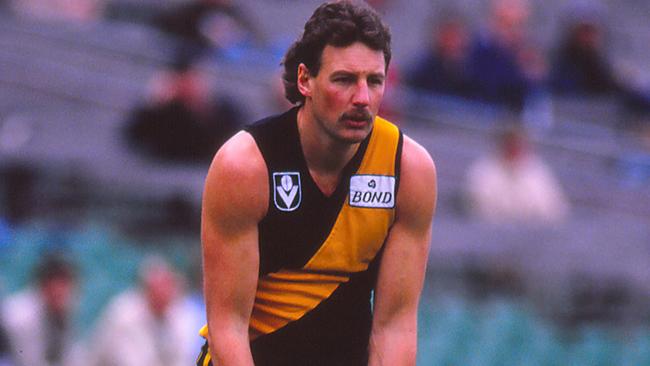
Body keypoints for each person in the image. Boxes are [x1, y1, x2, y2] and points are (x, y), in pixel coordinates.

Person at [197, 1, 437, 365]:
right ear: (305, 80)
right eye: (344, 80)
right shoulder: (245, 166)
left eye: (374, 81)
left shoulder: (409, 169)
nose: (362, 99)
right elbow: (228, 326)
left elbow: (395, 327)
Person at [89, 256, 198, 366]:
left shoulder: (181, 314)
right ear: (146, 289)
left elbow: (183, 358)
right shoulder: (124, 314)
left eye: (167, 285)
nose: (163, 292)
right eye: (158, 286)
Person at [464, 126, 569, 224]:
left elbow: (554, 209)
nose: (514, 149)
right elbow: (477, 210)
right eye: (510, 144)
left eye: (519, 145)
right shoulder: (482, 171)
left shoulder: (538, 171)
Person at [1, 254, 85, 366]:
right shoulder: (21, 315)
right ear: (43, 284)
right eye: (56, 284)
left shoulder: (63, 312)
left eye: (65, 284)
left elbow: (73, 358)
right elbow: (29, 362)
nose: (60, 291)